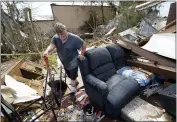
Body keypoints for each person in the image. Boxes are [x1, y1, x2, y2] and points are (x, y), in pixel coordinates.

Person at [43, 22, 86, 95]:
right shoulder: (56, 38)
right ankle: (75, 82)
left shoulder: (74, 38)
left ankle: (73, 92)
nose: (61, 36)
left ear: (65, 30)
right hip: (65, 62)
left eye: (62, 33)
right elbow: (52, 45)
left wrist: (82, 54)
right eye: (59, 34)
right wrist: (47, 51)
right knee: (70, 76)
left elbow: (84, 44)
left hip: (73, 61)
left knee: (72, 78)